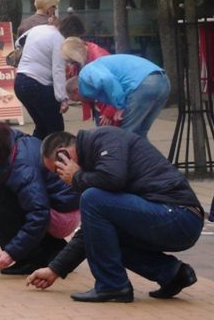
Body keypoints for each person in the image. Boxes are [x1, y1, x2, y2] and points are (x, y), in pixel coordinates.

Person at [27, 128, 203, 302]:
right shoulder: (92, 169)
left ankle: (112, 285)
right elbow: (90, 232)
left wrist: (77, 177)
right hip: (171, 217)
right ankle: (172, 274)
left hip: (179, 215)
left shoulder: (104, 139)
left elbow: (113, 178)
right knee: (103, 234)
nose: (61, 177)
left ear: (62, 155)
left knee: (92, 198)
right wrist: (55, 269)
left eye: (57, 170)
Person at [0, 122, 80, 275]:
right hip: (58, 206)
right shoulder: (11, 146)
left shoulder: (21, 163)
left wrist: (12, 253)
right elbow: (12, 180)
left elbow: (39, 212)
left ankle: (32, 259)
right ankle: (54, 250)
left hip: (61, 214)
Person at [65, 54, 170, 137]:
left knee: (127, 134)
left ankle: (125, 163)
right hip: (161, 79)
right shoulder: (95, 70)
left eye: (78, 99)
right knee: (140, 133)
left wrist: (120, 104)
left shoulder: (86, 73)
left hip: (142, 83)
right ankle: (156, 163)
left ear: (76, 90)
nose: (83, 102)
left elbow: (106, 79)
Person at [14, 24, 69, 139]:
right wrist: (62, 98)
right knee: (56, 128)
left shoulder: (38, 28)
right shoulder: (59, 40)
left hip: (20, 81)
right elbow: (58, 70)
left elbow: (18, 42)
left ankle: (32, 151)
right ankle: (53, 154)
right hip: (38, 83)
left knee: (42, 126)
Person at [61, 36, 112, 125]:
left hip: (109, 101)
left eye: (71, 61)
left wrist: (109, 111)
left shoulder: (98, 58)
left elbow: (111, 87)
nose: (70, 64)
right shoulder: (82, 59)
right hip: (99, 101)